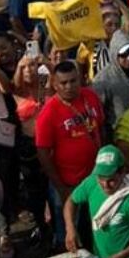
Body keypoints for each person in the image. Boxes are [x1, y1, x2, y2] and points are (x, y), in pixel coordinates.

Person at [35, 61, 105, 248]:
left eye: (73, 81)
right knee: (68, 231)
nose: (69, 86)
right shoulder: (48, 112)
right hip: (68, 183)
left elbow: (101, 127)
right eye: (64, 82)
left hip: (95, 177)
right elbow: (42, 152)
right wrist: (60, 186)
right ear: (55, 84)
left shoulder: (91, 96)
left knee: (95, 224)